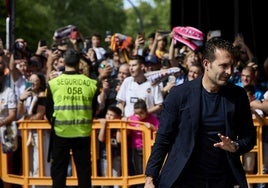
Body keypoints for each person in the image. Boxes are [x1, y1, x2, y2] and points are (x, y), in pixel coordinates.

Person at [144, 38, 256, 188]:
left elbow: (249, 137)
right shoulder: (179, 94)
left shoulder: (238, 95)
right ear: (206, 64)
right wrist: (150, 178)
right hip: (183, 178)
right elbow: (163, 138)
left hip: (222, 179)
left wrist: (235, 146)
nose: (229, 72)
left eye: (232, 66)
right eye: (223, 66)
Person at [46, 49, 98, 188]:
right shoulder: (91, 83)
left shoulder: (53, 83)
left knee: (59, 171)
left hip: (60, 132)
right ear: (78, 62)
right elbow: (94, 108)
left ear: (64, 60)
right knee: (84, 172)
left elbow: (48, 111)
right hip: (82, 132)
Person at [126, 99, 159, 188]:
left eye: (141, 113)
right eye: (136, 113)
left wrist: (151, 127)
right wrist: (125, 122)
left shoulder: (153, 118)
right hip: (136, 148)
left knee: (148, 170)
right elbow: (127, 133)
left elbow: (159, 131)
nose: (138, 116)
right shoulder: (132, 118)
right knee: (138, 171)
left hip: (149, 148)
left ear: (146, 111)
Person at [98, 105, 122, 188]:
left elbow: (119, 140)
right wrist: (103, 126)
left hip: (116, 155)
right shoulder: (104, 125)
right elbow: (101, 139)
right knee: (105, 179)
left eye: (111, 115)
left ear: (118, 117)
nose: (108, 116)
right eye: (107, 114)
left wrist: (119, 125)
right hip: (105, 156)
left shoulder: (117, 126)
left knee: (116, 178)